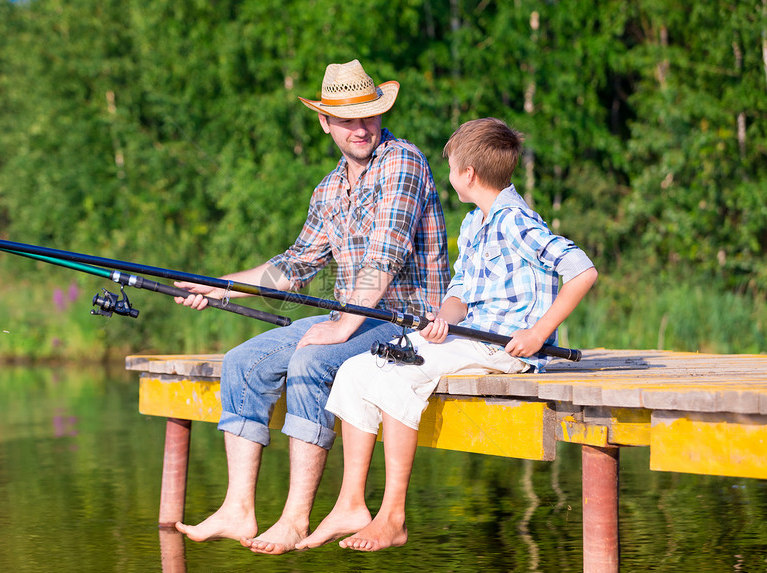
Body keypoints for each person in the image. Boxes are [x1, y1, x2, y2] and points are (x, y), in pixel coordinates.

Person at [172, 60, 450, 555]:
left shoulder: (403, 161)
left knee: (312, 358)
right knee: (242, 362)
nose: (361, 128)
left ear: (381, 115)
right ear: (325, 122)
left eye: (368, 116)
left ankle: (296, 519)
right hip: (350, 316)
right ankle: (238, 509)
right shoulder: (328, 190)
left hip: (409, 322)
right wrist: (219, 287)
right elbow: (294, 267)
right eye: (347, 119)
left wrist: (342, 326)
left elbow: (385, 255)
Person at [297, 117, 598, 552]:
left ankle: (393, 518)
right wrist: (442, 317)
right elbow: (460, 291)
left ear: (468, 175)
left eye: (453, 168)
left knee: (399, 377)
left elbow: (581, 270)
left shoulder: (515, 221)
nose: (450, 176)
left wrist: (537, 332)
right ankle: (349, 503)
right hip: (464, 337)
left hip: (504, 346)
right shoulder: (476, 222)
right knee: (357, 369)